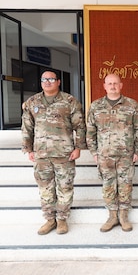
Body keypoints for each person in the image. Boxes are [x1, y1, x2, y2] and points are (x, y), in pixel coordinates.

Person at [21, 70, 87, 235]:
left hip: (64, 153)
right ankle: (50, 219)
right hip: (41, 154)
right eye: (44, 79)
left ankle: (62, 219)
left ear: (58, 82)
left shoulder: (69, 101)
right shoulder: (32, 102)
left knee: (65, 186)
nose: (47, 82)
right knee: (45, 188)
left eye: (51, 79)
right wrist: (28, 148)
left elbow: (79, 126)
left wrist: (78, 147)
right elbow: (27, 127)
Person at [86, 73, 138, 232]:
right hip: (104, 155)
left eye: (115, 83)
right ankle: (112, 216)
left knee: (125, 186)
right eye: (109, 83)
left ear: (121, 85)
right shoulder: (96, 106)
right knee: (108, 186)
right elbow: (90, 131)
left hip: (126, 154)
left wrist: (137, 150)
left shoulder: (132, 105)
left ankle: (124, 216)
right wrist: (94, 152)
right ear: (104, 86)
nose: (112, 86)